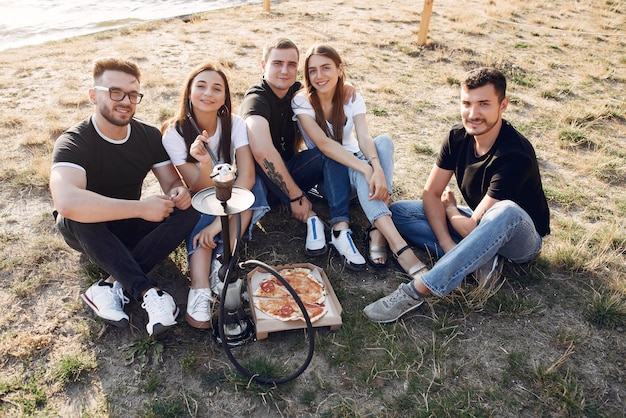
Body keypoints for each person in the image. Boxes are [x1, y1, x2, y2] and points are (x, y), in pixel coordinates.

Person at [364, 67, 550, 323]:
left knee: (506, 210)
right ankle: (478, 260)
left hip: (519, 237)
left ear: (503, 105)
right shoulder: (457, 137)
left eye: (484, 104)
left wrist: (451, 210)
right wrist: (447, 244)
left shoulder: (514, 155)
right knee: (398, 212)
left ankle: (417, 290)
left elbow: (472, 228)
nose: (473, 114)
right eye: (466, 103)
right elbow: (431, 193)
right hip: (477, 221)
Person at [50, 58, 199, 337]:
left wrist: (177, 194)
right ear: (94, 95)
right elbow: (67, 202)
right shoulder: (74, 141)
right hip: (88, 231)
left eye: (133, 95)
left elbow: (171, 183)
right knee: (74, 216)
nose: (125, 101)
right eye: (115, 92)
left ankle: (108, 285)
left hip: (129, 224)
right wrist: (141, 207)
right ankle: (147, 290)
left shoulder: (148, 135)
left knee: (190, 209)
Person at [291, 43, 428, 278]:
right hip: (332, 180)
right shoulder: (302, 102)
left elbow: (364, 137)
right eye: (313, 70)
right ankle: (399, 248)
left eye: (326, 68)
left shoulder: (351, 97)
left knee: (383, 141)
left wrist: (376, 168)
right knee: (358, 168)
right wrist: (368, 169)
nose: (319, 76)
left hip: (359, 170)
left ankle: (378, 229)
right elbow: (324, 144)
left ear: (340, 69)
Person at [240, 38, 367, 271]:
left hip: (293, 168)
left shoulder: (297, 92)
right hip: (264, 182)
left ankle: (340, 227)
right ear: (263, 65)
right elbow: (262, 152)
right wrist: (296, 197)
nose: (285, 70)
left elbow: (325, 86)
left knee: (328, 150)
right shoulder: (256, 99)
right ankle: (312, 219)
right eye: (277, 63)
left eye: (291, 64)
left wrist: (344, 85)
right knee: (321, 152)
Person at [161, 62, 269, 329]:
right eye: (201, 86)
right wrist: (204, 163)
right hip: (202, 193)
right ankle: (199, 287)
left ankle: (225, 260)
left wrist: (215, 223)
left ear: (224, 97)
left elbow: (247, 176)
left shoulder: (234, 123)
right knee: (194, 205)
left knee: (254, 190)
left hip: (231, 189)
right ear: (189, 92)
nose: (208, 93)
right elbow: (197, 188)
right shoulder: (174, 132)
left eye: (216, 88)